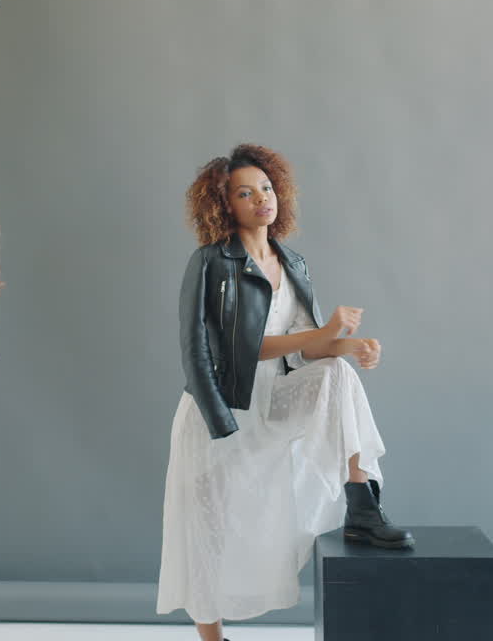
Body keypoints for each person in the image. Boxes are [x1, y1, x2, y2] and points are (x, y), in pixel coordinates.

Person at [157, 144, 411, 641]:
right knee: (205, 529)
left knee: (340, 374)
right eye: (245, 193)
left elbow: (305, 351)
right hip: (220, 409)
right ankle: (213, 639)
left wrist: (346, 345)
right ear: (224, 205)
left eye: (266, 188)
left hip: (274, 401)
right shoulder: (210, 263)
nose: (261, 199)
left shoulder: (291, 262)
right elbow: (227, 350)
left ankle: (361, 503)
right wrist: (327, 333)